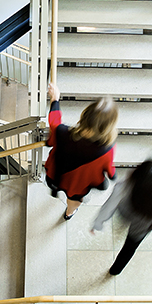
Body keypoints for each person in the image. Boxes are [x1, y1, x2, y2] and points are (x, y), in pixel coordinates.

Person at [45, 82, 118, 220]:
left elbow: (54, 121)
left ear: (85, 116)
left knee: (58, 184)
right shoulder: (107, 150)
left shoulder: (62, 132)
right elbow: (110, 170)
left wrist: (55, 99)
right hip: (78, 184)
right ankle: (69, 213)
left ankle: (58, 194)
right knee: (74, 200)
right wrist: (114, 176)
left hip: (56, 174)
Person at [91, 160, 152, 275]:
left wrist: (98, 223)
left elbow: (109, 207)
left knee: (125, 225)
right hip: (145, 221)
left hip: (127, 213)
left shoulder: (124, 186)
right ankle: (116, 270)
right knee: (130, 247)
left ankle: (124, 227)